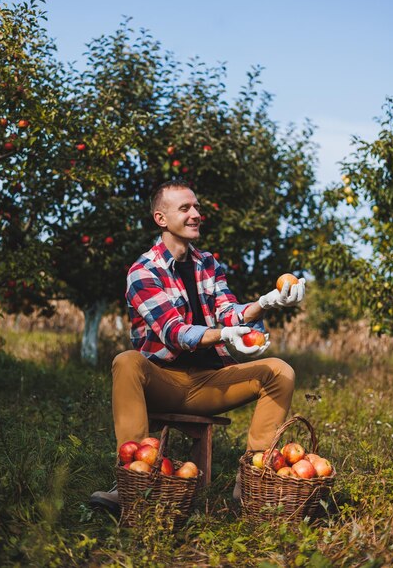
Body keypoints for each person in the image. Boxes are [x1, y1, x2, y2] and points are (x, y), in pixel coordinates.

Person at [90, 178, 305, 514]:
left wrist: (266, 302)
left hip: (209, 383)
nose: (196, 214)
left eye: (197, 207)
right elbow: (174, 332)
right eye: (185, 208)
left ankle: (252, 481)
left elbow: (228, 312)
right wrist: (223, 335)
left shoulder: (208, 264)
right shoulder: (142, 272)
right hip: (163, 380)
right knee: (127, 361)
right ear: (161, 219)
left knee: (280, 371)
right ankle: (132, 479)